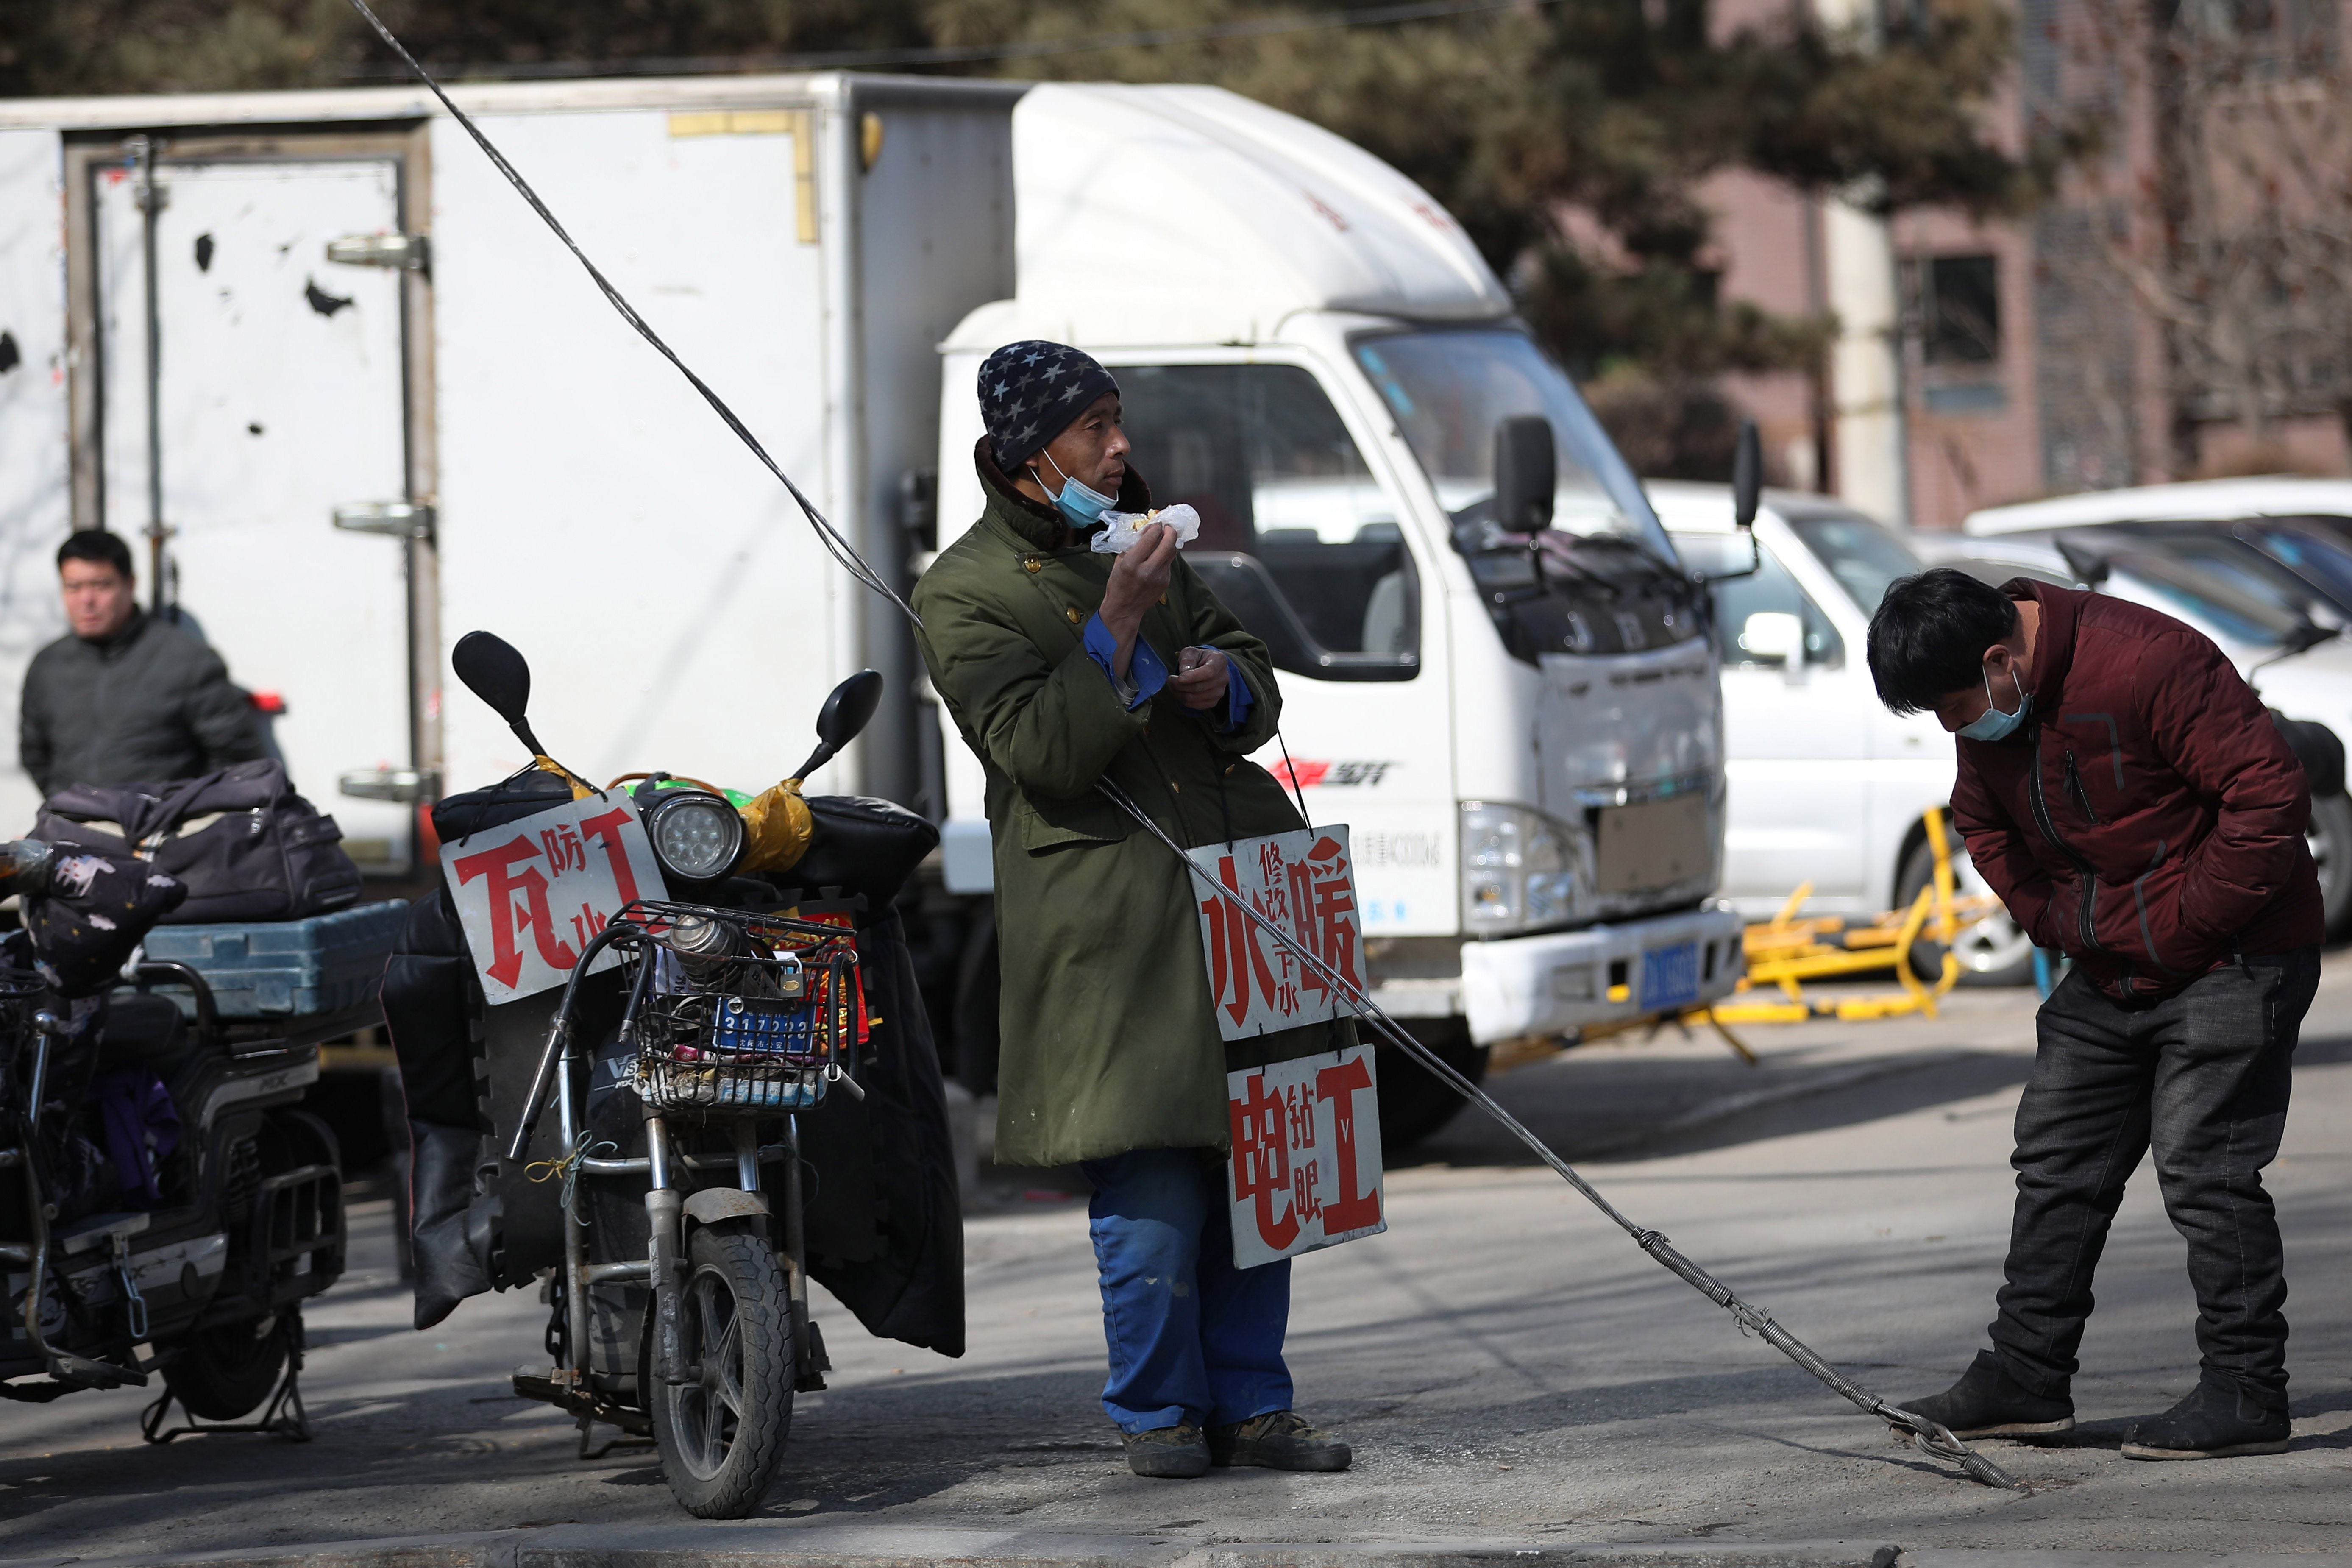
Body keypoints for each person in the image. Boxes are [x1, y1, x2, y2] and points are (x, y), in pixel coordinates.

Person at [912, 340, 1353, 1480]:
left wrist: (1222, 679)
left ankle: (1254, 1403)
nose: (1120, 449)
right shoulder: (960, 593)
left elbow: (1254, 679)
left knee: (1263, 1160)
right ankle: (1158, 1412)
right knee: (1152, 1174)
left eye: (1119, 422)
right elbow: (1041, 751)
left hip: (1240, 898)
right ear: (1023, 457)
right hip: (1112, 922)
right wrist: (1115, 622)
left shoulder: (1143, 534)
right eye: (1094, 427)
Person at [1867, 568, 2322, 1461]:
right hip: (2110, 957)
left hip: (2238, 946)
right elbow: (1982, 823)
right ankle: (2023, 1376)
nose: (1955, 728)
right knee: (2055, 1156)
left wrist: (2173, 927)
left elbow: (2268, 802)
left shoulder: (2151, 661)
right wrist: (2060, 920)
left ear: (2000, 661)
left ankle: (2244, 1390)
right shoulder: (1991, 704)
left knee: (2205, 1165)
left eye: (1955, 707)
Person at [19, 530, 264, 797]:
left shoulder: (185, 658)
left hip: (163, 832)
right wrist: (68, 809)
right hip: (73, 830)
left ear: (130, 584)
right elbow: (35, 755)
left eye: (100, 586)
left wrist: (184, 820)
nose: (86, 601)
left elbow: (236, 757)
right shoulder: (48, 666)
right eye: (73, 587)